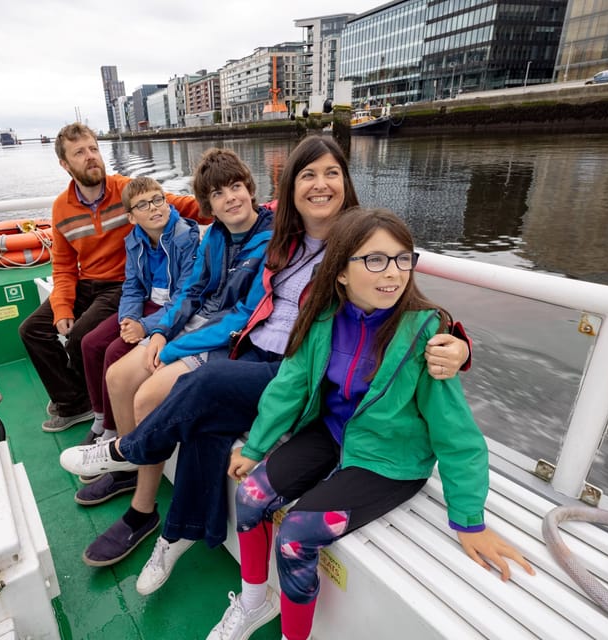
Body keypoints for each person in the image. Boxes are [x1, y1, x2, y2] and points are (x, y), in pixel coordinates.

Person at [60, 136, 471, 592]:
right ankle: (177, 535)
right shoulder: (283, 238)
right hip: (257, 356)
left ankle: (129, 451)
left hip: (306, 376)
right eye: (307, 175)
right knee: (203, 421)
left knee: (205, 381)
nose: (320, 185)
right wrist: (169, 333)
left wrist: (458, 343)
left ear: (346, 181)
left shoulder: (358, 238)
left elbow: (404, 296)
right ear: (290, 188)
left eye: (331, 173)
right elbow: (237, 253)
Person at [207, 208, 534, 640]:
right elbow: (288, 386)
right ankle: (254, 601)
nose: (394, 273)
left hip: (389, 459)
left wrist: (469, 519)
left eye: (403, 259)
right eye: (375, 260)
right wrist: (254, 448)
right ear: (340, 271)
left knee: (297, 534)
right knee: (250, 497)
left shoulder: (426, 334)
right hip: (333, 434)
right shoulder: (322, 317)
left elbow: (457, 434)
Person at [60, 147, 275, 566]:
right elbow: (192, 292)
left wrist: (172, 345)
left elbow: (245, 316)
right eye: (217, 193)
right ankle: (128, 470)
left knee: (146, 397)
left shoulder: (269, 240)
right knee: (119, 377)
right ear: (207, 203)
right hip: (191, 330)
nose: (230, 198)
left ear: (250, 189)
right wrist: (159, 331)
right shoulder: (214, 235)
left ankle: (143, 511)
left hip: (226, 341)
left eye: (235, 187)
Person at [18, 123, 201, 433]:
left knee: (81, 338)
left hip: (120, 285)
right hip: (84, 283)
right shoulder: (62, 208)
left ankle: (92, 400)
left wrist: (240, 209)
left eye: (93, 149)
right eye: (80, 152)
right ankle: (75, 402)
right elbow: (63, 266)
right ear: (65, 164)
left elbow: (179, 205)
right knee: (31, 330)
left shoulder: (126, 190)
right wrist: (62, 307)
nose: (91, 157)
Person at [73, 176, 201, 500]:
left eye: (158, 199)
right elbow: (132, 286)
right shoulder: (134, 240)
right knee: (90, 342)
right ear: (131, 216)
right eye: (142, 204)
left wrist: (145, 326)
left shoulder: (186, 237)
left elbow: (186, 294)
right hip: (147, 307)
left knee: (116, 352)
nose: (154, 208)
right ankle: (106, 424)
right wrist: (129, 318)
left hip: (170, 312)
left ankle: (121, 445)